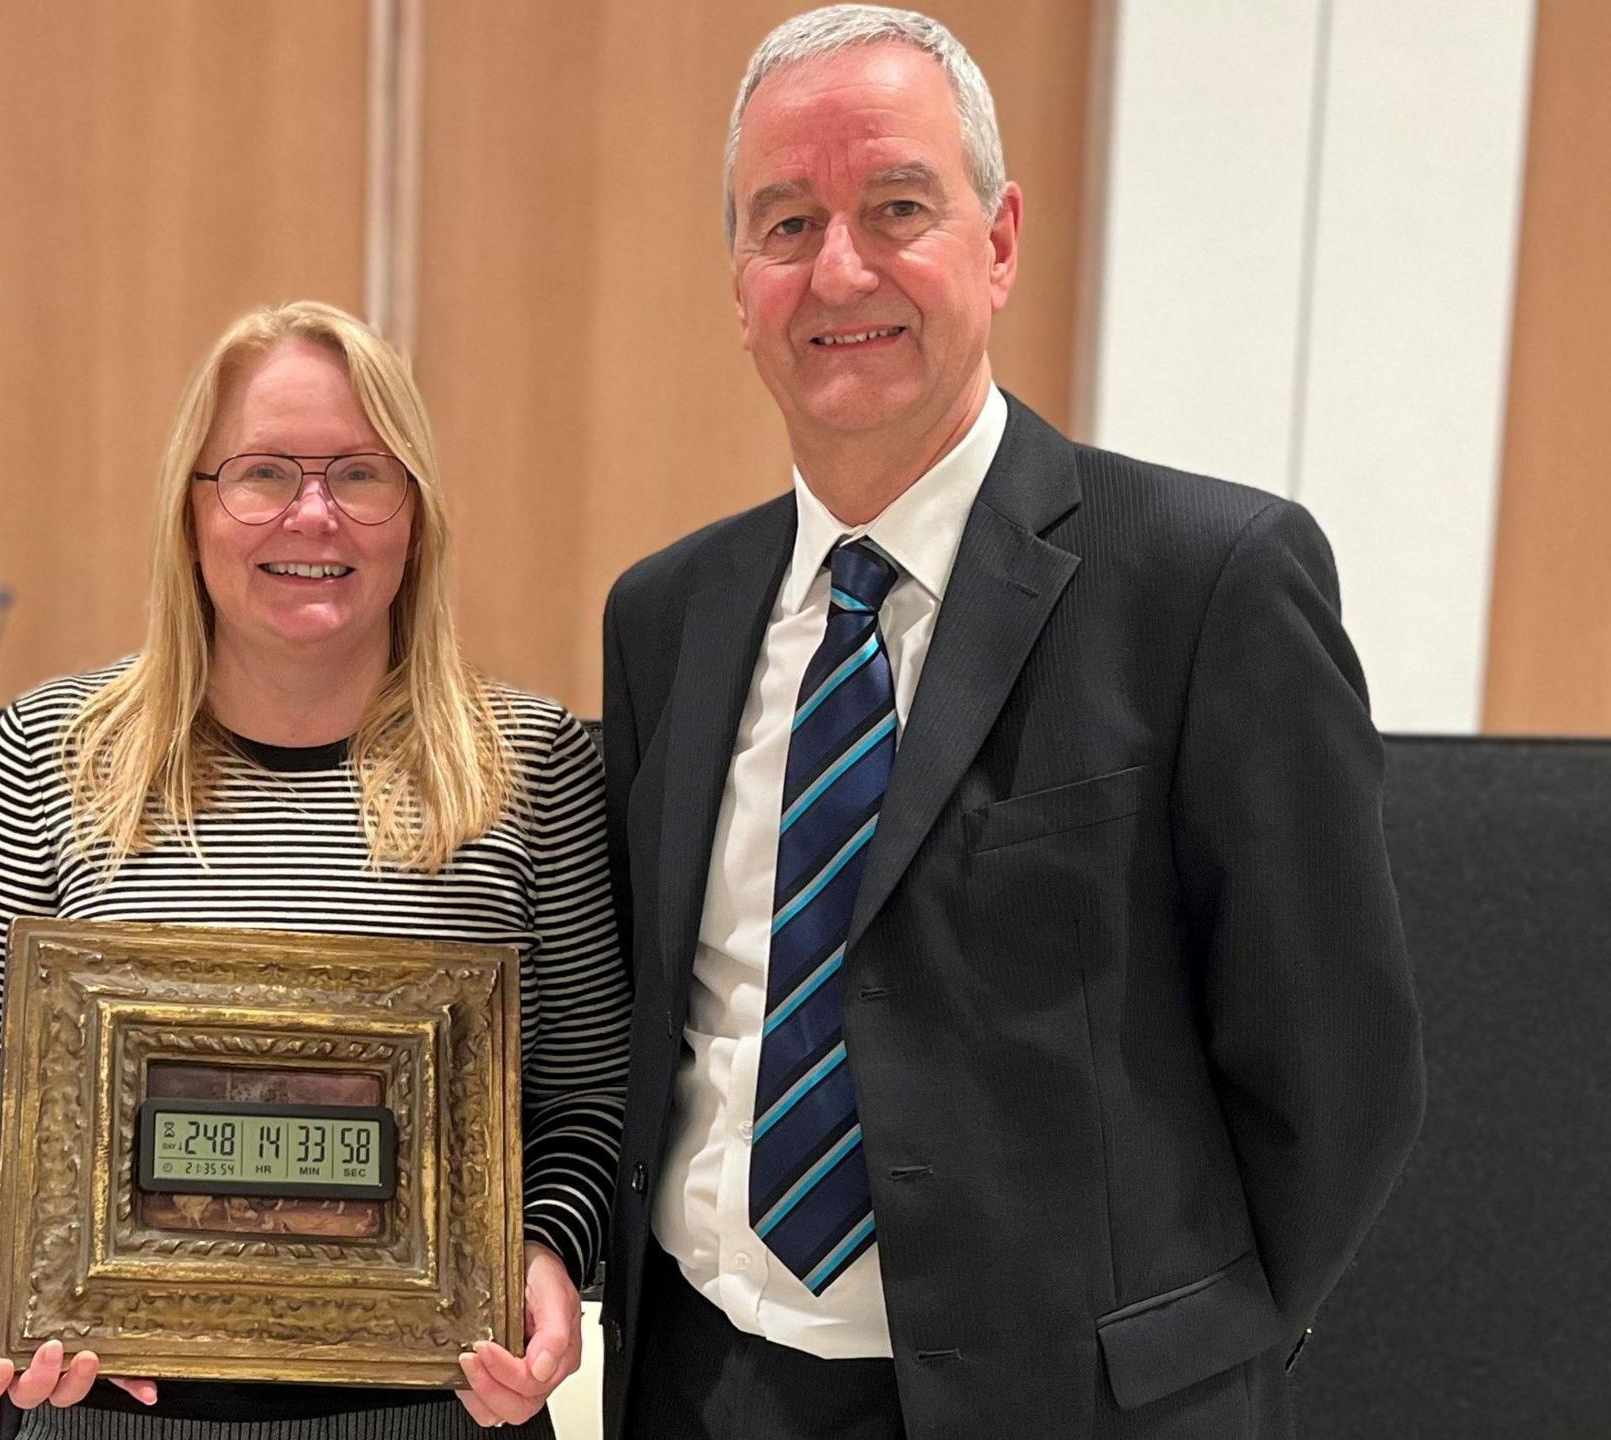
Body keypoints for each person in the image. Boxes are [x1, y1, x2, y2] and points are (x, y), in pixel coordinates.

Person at [597, 8, 1424, 1439]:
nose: (839, 266)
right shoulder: (666, 616)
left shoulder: (1206, 582)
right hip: (708, 1387)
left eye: (897, 206)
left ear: (1000, 238)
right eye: (786, 222)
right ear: (738, 280)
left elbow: (1340, 1064)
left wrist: (1193, 1360)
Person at [0, 300, 629, 1437]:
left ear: (415, 518)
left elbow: (593, 1098)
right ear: (190, 514)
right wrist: (30, 1230)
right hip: (104, 1408)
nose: (313, 513)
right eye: (262, 473)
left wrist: (542, 1246)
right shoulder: (53, 751)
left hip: (434, 1414)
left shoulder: (528, 768)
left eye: (361, 474)